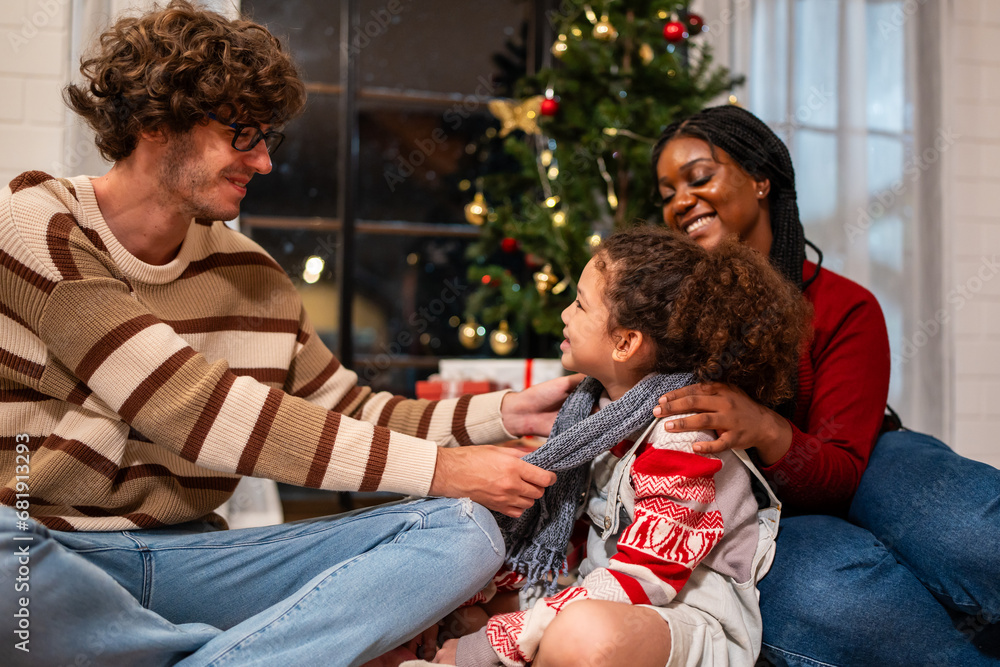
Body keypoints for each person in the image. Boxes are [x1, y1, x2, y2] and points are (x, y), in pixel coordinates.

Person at [0, 2, 580, 665]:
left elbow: (353, 412)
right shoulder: (35, 227)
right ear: (157, 122)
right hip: (50, 551)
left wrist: (500, 413)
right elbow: (184, 403)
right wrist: (446, 468)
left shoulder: (256, 277)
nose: (266, 161)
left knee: (461, 530)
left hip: (197, 560)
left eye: (270, 137)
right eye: (244, 134)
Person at [650, 104, 1000, 665]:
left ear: (761, 180)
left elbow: (839, 471)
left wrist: (764, 425)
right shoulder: (665, 325)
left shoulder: (844, 305)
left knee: (965, 527)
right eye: (666, 193)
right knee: (835, 593)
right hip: (748, 508)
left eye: (698, 177)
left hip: (859, 456)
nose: (680, 202)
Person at [430, 227, 811, 666]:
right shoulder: (593, 414)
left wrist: (486, 648)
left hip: (683, 614)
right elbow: (573, 529)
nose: (564, 314)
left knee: (580, 636)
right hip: (603, 585)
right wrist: (491, 595)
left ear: (626, 342)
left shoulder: (682, 436)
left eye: (579, 304)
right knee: (475, 610)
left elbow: (644, 577)